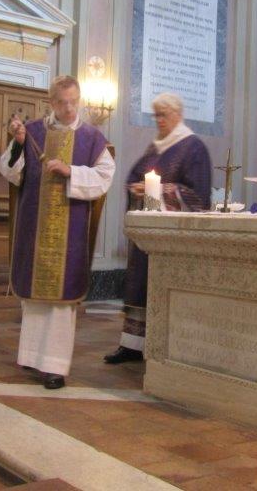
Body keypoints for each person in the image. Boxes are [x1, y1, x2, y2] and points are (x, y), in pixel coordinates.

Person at [0, 75, 115, 389]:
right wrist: (19, 144)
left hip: (70, 230)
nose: (69, 109)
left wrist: (70, 171)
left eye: (74, 102)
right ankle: (32, 356)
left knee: (61, 304)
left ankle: (54, 367)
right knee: (35, 300)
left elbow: (104, 177)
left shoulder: (91, 138)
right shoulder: (32, 131)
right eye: (62, 103)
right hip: (35, 226)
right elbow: (9, 171)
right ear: (51, 102)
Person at [103, 92, 212, 364]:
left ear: (178, 115)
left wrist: (159, 190)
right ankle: (132, 344)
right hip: (147, 234)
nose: (159, 120)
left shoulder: (193, 147)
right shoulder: (156, 147)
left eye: (164, 115)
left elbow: (199, 195)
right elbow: (135, 176)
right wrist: (136, 188)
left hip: (173, 238)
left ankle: (165, 346)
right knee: (139, 285)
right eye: (156, 115)